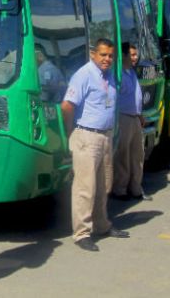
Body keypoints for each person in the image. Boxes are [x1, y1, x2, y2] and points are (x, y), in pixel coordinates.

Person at [60, 38, 130, 252]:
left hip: (105, 137)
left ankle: (102, 225)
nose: (107, 59)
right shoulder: (84, 75)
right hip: (86, 136)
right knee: (85, 188)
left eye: (110, 55)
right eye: (103, 55)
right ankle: (81, 233)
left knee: (103, 185)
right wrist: (71, 132)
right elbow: (66, 106)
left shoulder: (109, 76)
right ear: (93, 54)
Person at [112, 43, 152, 201]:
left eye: (136, 54)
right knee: (123, 154)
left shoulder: (132, 73)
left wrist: (140, 115)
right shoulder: (117, 74)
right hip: (123, 117)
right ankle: (120, 189)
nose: (136, 58)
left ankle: (136, 188)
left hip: (135, 117)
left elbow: (135, 97)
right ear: (123, 56)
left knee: (138, 154)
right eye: (132, 55)